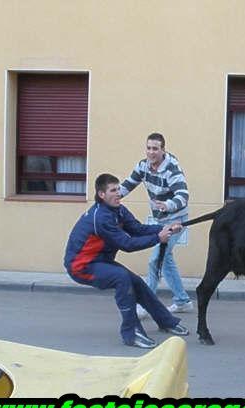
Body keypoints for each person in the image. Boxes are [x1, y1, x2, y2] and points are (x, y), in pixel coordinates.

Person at [64, 173, 189, 349]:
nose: (118, 193)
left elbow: (137, 229)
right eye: (113, 190)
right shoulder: (101, 217)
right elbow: (126, 244)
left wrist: (165, 228)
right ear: (101, 195)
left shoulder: (119, 210)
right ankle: (131, 333)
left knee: (135, 281)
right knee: (122, 278)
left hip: (100, 260)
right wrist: (157, 238)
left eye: (119, 189)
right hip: (81, 266)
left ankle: (166, 321)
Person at [119, 133, 192, 317]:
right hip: (160, 220)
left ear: (163, 150)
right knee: (165, 260)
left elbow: (183, 196)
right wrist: (110, 196)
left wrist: (167, 205)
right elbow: (128, 184)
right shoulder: (143, 166)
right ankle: (182, 301)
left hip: (175, 220)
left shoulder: (171, 169)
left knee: (155, 261)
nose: (151, 152)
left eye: (155, 148)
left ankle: (145, 305)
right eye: (149, 148)